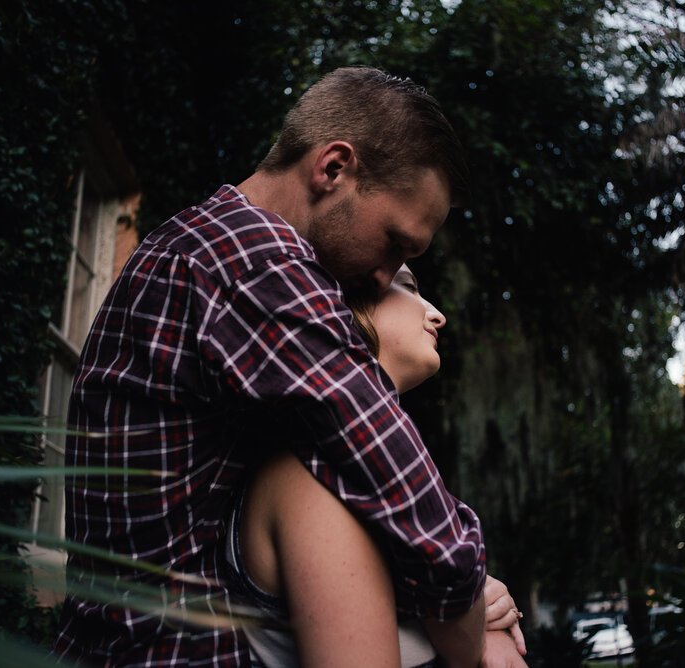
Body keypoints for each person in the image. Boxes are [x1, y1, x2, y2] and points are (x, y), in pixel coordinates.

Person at [53, 66, 522, 666]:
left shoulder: (199, 244)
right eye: (396, 244)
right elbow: (387, 467)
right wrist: (473, 616)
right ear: (333, 168)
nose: (386, 275)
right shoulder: (251, 261)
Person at [223, 265, 528, 667]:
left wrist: (479, 607)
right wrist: (475, 619)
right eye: (408, 289)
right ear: (345, 305)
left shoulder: (375, 477)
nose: (437, 314)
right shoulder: (309, 481)